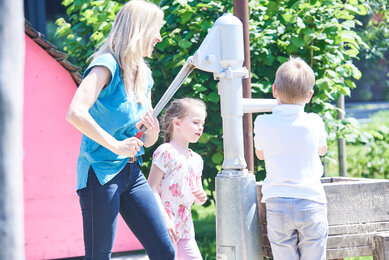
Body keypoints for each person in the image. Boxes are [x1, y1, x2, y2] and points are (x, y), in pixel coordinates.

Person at [65, 1, 175, 259]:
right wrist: (116, 146)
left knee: (164, 251)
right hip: (100, 173)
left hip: (132, 172)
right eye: (155, 29)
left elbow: (147, 141)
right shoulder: (106, 65)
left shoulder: (144, 75)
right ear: (139, 30)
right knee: (99, 256)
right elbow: (75, 112)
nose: (159, 37)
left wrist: (152, 130)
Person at [253, 57, 328, 260]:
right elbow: (322, 150)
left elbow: (259, 153)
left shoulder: (262, 122)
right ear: (310, 95)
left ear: (275, 89)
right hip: (310, 201)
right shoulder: (314, 121)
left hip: (277, 202)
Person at [148, 98, 208, 260]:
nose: (200, 127)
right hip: (165, 227)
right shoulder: (165, 151)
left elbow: (197, 198)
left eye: (202, 123)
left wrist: (201, 196)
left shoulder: (196, 159)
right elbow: (151, 188)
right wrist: (165, 220)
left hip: (186, 229)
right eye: (195, 122)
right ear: (177, 123)